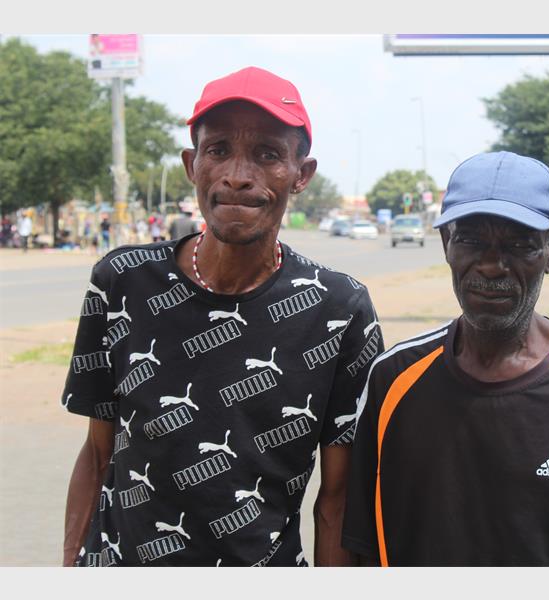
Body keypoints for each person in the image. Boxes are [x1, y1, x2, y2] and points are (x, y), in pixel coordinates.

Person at [60, 66, 384, 567]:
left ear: (302, 174)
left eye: (268, 154)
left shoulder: (339, 311)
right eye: (218, 150)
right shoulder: (122, 281)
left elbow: (337, 501)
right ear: (192, 165)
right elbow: (98, 455)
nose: (237, 174)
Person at [343, 151, 549, 566]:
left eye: (519, 245)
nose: (491, 265)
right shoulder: (393, 379)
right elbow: (359, 545)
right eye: (471, 240)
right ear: (446, 244)